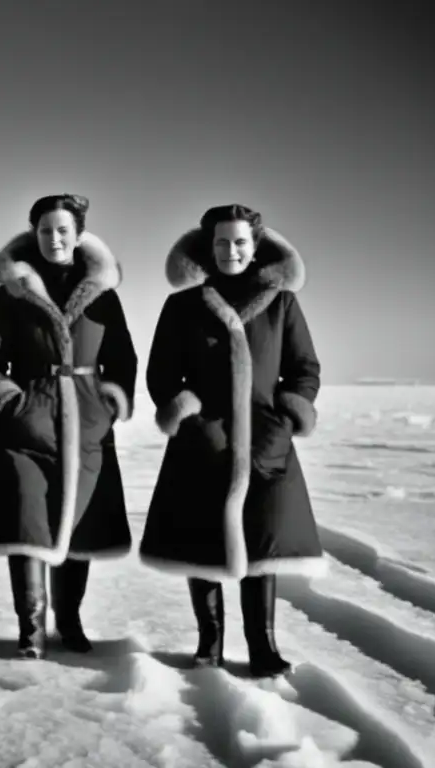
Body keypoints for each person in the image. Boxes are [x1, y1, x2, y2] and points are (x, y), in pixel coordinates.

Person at [139, 203, 324, 678]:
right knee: (202, 539)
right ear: (209, 246)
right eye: (222, 242)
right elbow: (161, 371)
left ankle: (262, 647)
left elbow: (304, 370)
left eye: (241, 242)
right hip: (203, 442)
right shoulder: (182, 305)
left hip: (267, 439)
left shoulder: (282, 302)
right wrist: (189, 415)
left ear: (255, 246)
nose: (231, 250)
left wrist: (286, 415)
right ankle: (210, 642)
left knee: (263, 545)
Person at [0, 193, 137, 660]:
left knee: (77, 524)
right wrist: (8, 401)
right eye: (46, 230)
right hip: (27, 422)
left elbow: (122, 358)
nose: (55, 238)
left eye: (63, 230)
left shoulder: (104, 294)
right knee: (26, 525)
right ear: (34, 233)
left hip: (86, 420)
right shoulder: (11, 293)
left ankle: (70, 620)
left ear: (79, 234)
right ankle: (31, 627)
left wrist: (110, 401)